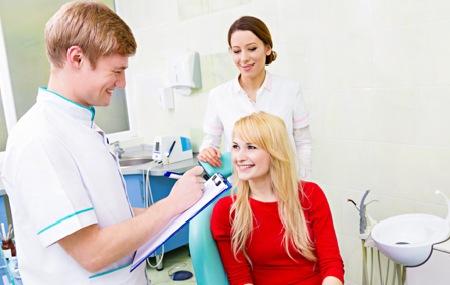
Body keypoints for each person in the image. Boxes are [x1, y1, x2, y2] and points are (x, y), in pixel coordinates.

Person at [0, 1, 205, 284]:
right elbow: (91, 252)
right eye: (116, 70)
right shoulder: (40, 137)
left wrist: (183, 207)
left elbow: (109, 217)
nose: (121, 83)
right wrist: (170, 205)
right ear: (77, 58)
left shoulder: (82, 126)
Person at [210, 112, 344, 285]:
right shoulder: (227, 210)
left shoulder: (310, 195)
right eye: (236, 146)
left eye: (251, 147)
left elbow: (331, 263)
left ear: (274, 152)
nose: (239, 157)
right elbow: (240, 278)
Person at [198, 16, 312, 180]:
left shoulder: (290, 90)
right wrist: (207, 152)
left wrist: (303, 184)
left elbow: (304, 144)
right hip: (241, 190)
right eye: (236, 51)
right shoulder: (219, 96)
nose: (243, 58)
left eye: (251, 48)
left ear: (267, 48)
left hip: (284, 187)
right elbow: (209, 143)